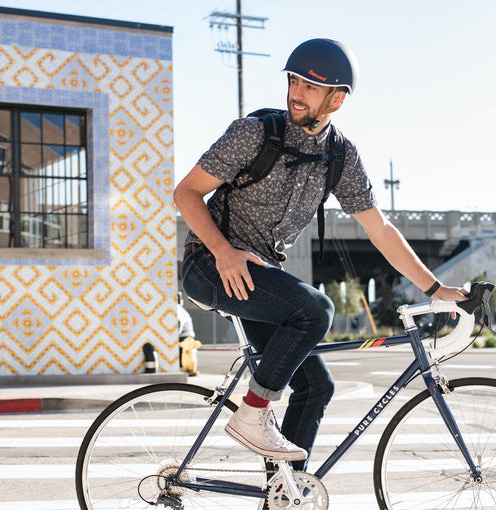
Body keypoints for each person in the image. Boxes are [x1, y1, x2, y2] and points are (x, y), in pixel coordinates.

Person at [174, 38, 466, 469]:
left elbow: (380, 231)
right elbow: (186, 193)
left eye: (310, 86)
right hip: (211, 264)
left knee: (316, 387)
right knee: (315, 310)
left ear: (337, 98)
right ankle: (254, 412)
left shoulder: (341, 157)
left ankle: (283, 491)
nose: (296, 91)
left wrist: (436, 288)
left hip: (259, 280)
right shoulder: (255, 134)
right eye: (294, 80)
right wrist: (223, 251)